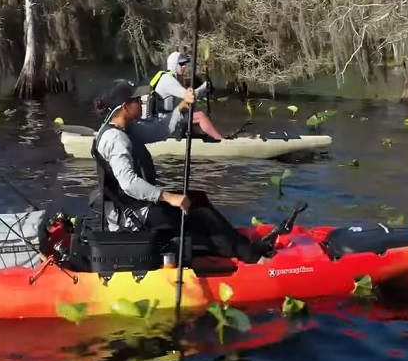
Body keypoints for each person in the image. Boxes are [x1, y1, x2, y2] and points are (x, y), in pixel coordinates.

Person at [90, 80, 278, 264]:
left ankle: (239, 245)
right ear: (125, 107)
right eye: (137, 100)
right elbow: (128, 183)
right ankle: (253, 259)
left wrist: (183, 107)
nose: (142, 102)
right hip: (135, 215)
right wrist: (169, 197)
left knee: (198, 199)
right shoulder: (116, 140)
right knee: (203, 216)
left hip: (141, 205)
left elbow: (160, 129)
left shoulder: (127, 128)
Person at [143, 52, 227, 140]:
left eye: (185, 64)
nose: (184, 67)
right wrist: (205, 87)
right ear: (174, 64)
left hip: (169, 117)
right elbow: (189, 96)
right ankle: (221, 140)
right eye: (181, 64)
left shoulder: (174, 79)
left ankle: (200, 138)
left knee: (190, 114)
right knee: (200, 116)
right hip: (163, 121)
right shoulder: (167, 80)